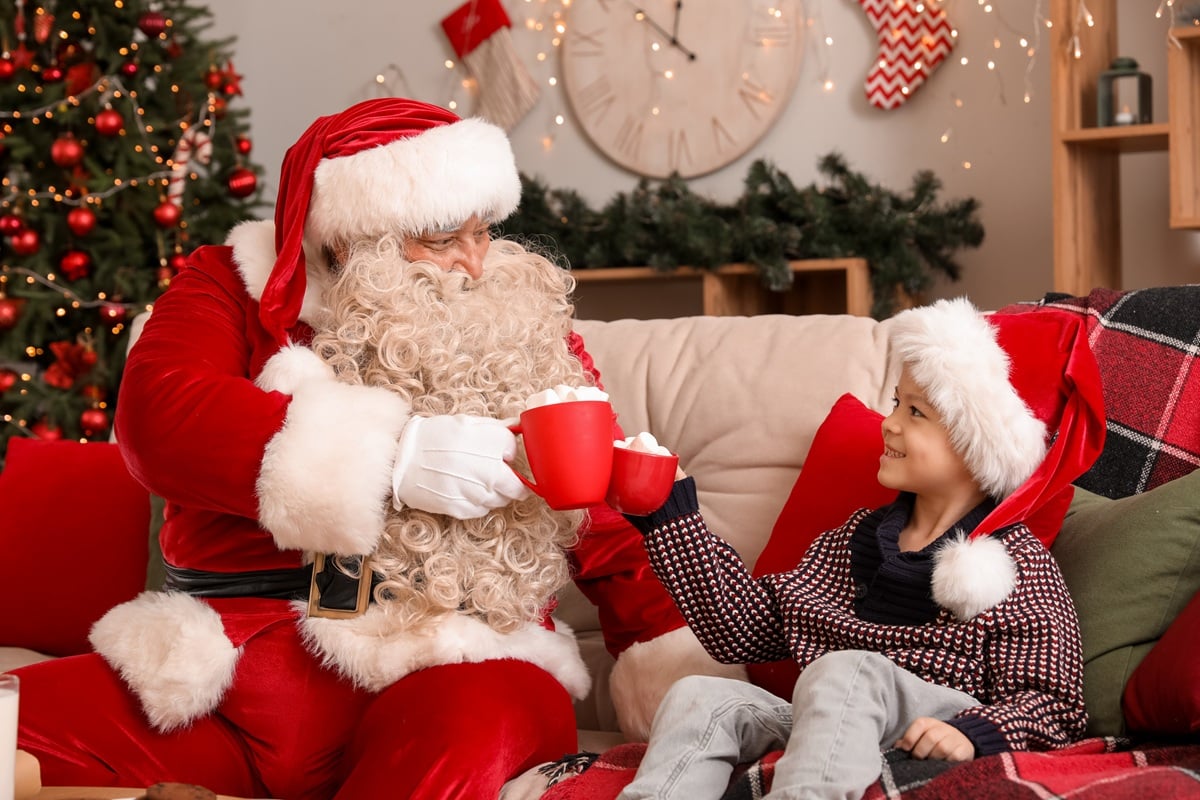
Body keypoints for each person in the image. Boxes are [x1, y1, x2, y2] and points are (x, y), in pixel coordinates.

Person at [13, 98, 738, 799]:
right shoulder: (229, 286)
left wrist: (669, 649)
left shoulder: (518, 326)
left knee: (471, 729)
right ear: (345, 240)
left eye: (483, 231)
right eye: (443, 237)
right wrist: (393, 456)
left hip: (453, 665)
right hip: (220, 674)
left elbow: (597, 506)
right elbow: (160, 421)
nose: (475, 263)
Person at [614, 297, 1107, 800]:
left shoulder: (1017, 565)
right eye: (897, 403)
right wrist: (670, 512)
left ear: (977, 443)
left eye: (916, 412)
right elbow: (747, 629)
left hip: (936, 723)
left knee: (845, 669)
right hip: (832, 721)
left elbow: (1055, 702)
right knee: (700, 695)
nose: (890, 423)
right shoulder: (857, 539)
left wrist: (973, 732)